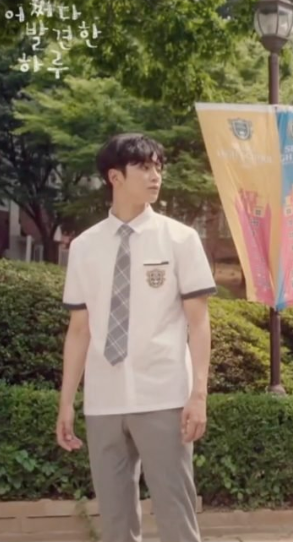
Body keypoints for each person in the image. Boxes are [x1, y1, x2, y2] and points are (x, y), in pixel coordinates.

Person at [55, 133, 217, 542]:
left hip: (163, 394)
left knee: (176, 514)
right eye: (144, 167)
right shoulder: (85, 247)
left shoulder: (181, 239)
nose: (155, 176)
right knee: (114, 522)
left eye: (158, 167)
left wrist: (198, 394)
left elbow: (199, 323)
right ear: (115, 176)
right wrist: (66, 403)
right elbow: (79, 330)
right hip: (104, 400)